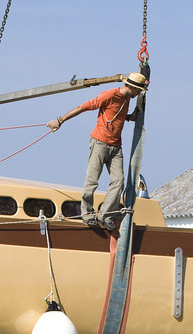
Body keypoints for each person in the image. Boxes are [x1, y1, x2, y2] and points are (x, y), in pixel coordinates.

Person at [47, 71, 148, 229]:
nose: (138, 94)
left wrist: (130, 117)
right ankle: (86, 214)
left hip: (116, 146)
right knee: (92, 180)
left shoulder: (127, 98)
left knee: (119, 181)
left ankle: (105, 215)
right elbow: (83, 107)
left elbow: (116, 115)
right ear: (133, 88)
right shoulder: (109, 95)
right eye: (139, 91)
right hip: (100, 143)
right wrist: (60, 120)